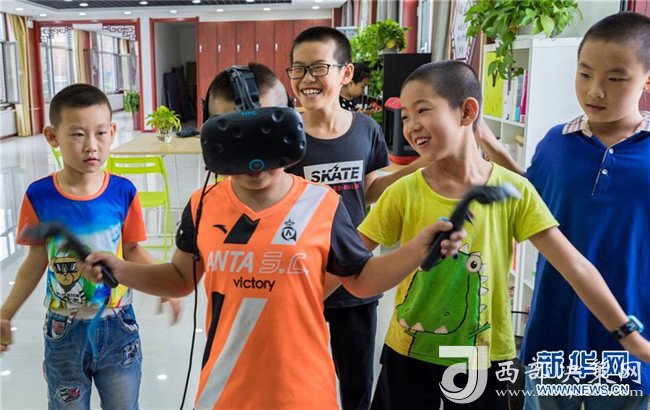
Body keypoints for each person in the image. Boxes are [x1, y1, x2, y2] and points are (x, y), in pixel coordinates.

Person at [82, 63, 466, 410]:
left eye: (266, 133)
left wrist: (417, 249)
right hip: (225, 391)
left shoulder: (322, 203)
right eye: (236, 135)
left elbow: (361, 279)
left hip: (304, 393)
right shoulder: (202, 205)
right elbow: (180, 279)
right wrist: (120, 268)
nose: (255, 156)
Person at [357, 60, 650, 410]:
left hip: (480, 355)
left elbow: (575, 266)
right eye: (405, 116)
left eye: (422, 110)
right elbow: (354, 264)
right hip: (408, 349)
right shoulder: (402, 192)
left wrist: (630, 337)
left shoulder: (514, 190)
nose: (411, 126)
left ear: (467, 112)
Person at [0, 83, 179, 409]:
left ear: (112, 132)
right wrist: (5, 313)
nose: (91, 146)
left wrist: (165, 283)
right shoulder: (39, 195)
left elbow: (133, 249)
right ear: (52, 136)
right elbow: (35, 260)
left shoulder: (123, 191)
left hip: (119, 323)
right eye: (78, 134)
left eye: (100, 133)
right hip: (63, 328)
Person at [285, 26, 429, 410]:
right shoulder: (286, 135)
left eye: (318, 67)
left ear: (345, 73)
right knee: (299, 379)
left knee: (357, 382)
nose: (306, 79)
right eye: (298, 69)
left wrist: (418, 167)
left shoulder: (366, 129)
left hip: (355, 274)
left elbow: (369, 190)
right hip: (300, 276)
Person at [519, 12, 650, 410]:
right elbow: (527, 207)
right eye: (585, 74)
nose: (595, 91)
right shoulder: (554, 145)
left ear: (646, 80)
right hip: (553, 334)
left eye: (615, 79)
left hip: (632, 346)